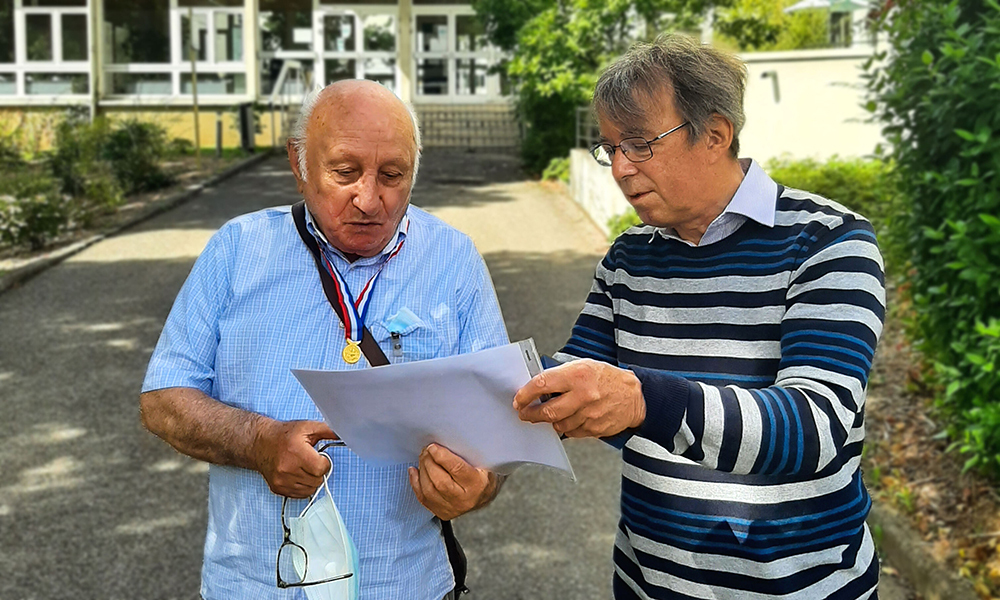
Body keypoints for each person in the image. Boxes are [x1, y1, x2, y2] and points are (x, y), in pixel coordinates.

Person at [514, 35, 884, 599]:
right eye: (609, 147)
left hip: (800, 588)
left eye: (638, 144)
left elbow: (815, 427)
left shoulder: (827, 242)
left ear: (715, 135)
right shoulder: (629, 256)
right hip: (648, 583)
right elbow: (572, 374)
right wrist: (442, 384)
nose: (618, 168)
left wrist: (643, 400)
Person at [140, 80, 507, 600]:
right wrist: (256, 441)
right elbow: (163, 401)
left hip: (406, 585)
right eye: (344, 171)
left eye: (393, 175)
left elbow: (498, 433)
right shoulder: (239, 250)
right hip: (252, 587)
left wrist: (479, 486)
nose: (369, 197)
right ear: (299, 163)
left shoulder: (454, 260)